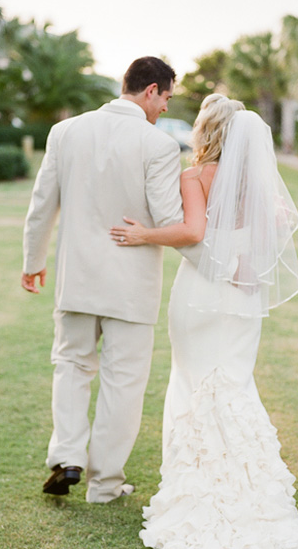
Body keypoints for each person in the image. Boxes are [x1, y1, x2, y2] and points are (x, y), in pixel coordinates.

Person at [109, 94, 298, 549]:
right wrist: (248, 262)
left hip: (202, 294)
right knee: (235, 383)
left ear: (206, 131)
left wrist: (143, 235)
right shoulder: (257, 184)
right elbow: (279, 227)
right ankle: (251, 497)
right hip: (245, 296)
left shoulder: (196, 176)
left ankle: (195, 491)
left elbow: (193, 232)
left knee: (191, 380)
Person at [22, 57, 199, 503]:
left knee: (70, 367)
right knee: (123, 382)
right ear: (151, 90)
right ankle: (104, 485)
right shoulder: (157, 146)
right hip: (131, 284)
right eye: (166, 100)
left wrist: (33, 261)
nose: (164, 109)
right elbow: (167, 218)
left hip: (77, 280)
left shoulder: (66, 132)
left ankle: (66, 458)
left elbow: (42, 204)